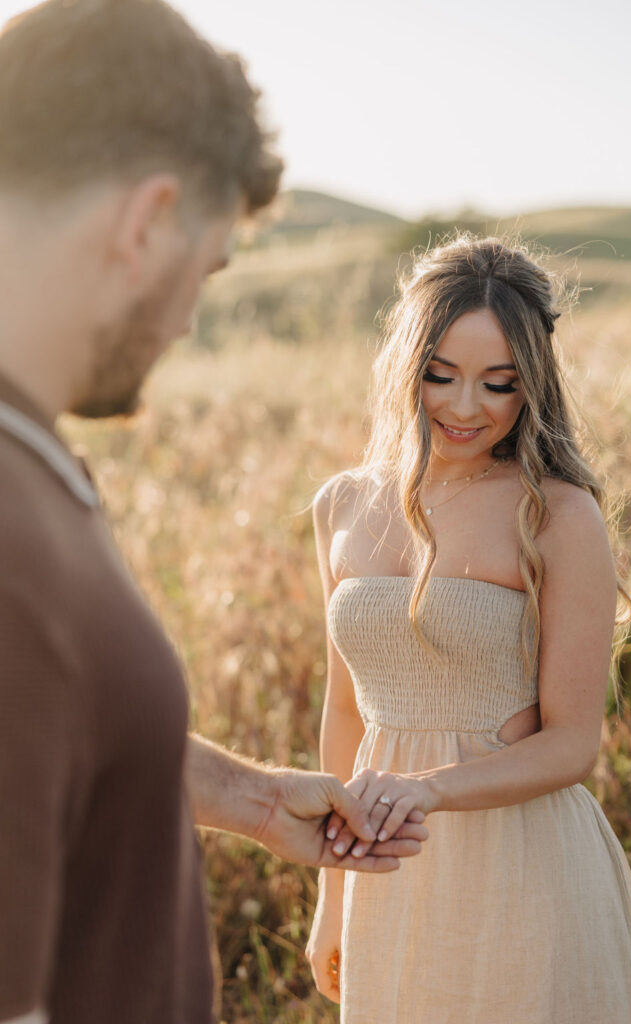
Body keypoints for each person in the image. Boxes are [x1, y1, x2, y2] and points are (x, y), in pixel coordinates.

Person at [0, 2, 429, 1023]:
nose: (191, 316)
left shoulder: (31, 459)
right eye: (209, 265)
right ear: (147, 220)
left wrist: (239, 795)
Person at [305, 236, 631, 1022]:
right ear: (406, 365)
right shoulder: (341, 505)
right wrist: (332, 898)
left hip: (522, 867)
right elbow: (343, 713)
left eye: (498, 384)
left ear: (530, 384)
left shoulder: (556, 515)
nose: (465, 407)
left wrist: (422, 792)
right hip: (387, 874)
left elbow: (572, 744)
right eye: (441, 375)